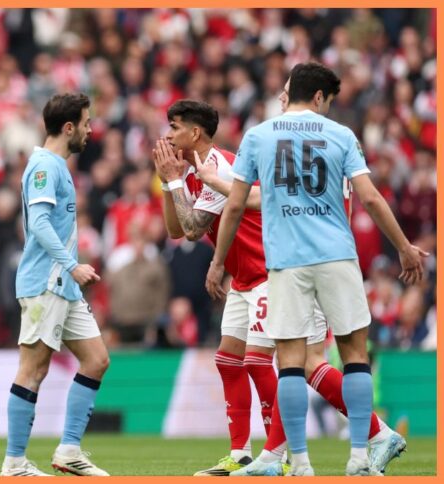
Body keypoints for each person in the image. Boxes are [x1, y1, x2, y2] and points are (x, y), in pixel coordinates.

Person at [205, 62, 427, 476]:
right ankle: (359, 458)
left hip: (287, 262)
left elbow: (236, 204)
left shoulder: (257, 136)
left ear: (293, 92)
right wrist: (403, 248)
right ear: (322, 97)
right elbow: (371, 198)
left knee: (289, 362)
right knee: (355, 357)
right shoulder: (341, 135)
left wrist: (218, 262)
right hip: (337, 258)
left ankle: (300, 465)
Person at [152, 99, 278, 476]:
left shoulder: (219, 166)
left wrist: (174, 181)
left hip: (269, 272)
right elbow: (176, 230)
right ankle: (240, 453)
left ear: (195, 133)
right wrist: (167, 181)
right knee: (227, 360)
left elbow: (192, 229)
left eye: (174, 127)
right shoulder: (189, 170)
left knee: (257, 363)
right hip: (242, 277)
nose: (168, 135)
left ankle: (280, 454)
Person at [0, 92, 110, 477]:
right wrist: (72, 265)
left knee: (97, 360)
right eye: (86, 122)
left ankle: (69, 450)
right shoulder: (45, 166)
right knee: (33, 369)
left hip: (63, 284)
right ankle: (14, 462)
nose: (90, 129)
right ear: (69, 127)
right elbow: (40, 224)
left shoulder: (56, 166)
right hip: (45, 281)